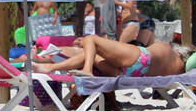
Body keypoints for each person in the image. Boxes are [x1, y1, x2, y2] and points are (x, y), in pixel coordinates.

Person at [31, 34, 186, 79]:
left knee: (90, 39)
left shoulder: (169, 50)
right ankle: (49, 66)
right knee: (89, 52)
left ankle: (87, 70)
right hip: (135, 73)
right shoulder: (179, 67)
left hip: (140, 57)